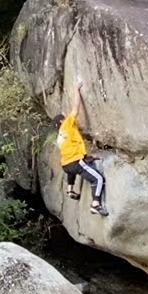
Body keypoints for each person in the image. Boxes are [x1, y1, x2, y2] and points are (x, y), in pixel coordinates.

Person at [55, 81, 108, 216]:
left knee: (71, 168)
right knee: (98, 179)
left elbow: (71, 151)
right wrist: (76, 91)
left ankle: (70, 189)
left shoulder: (60, 137)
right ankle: (95, 204)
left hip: (66, 165)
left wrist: (87, 157)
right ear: (62, 121)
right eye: (64, 117)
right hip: (75, 163)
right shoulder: (66, 124)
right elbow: (75, 109)